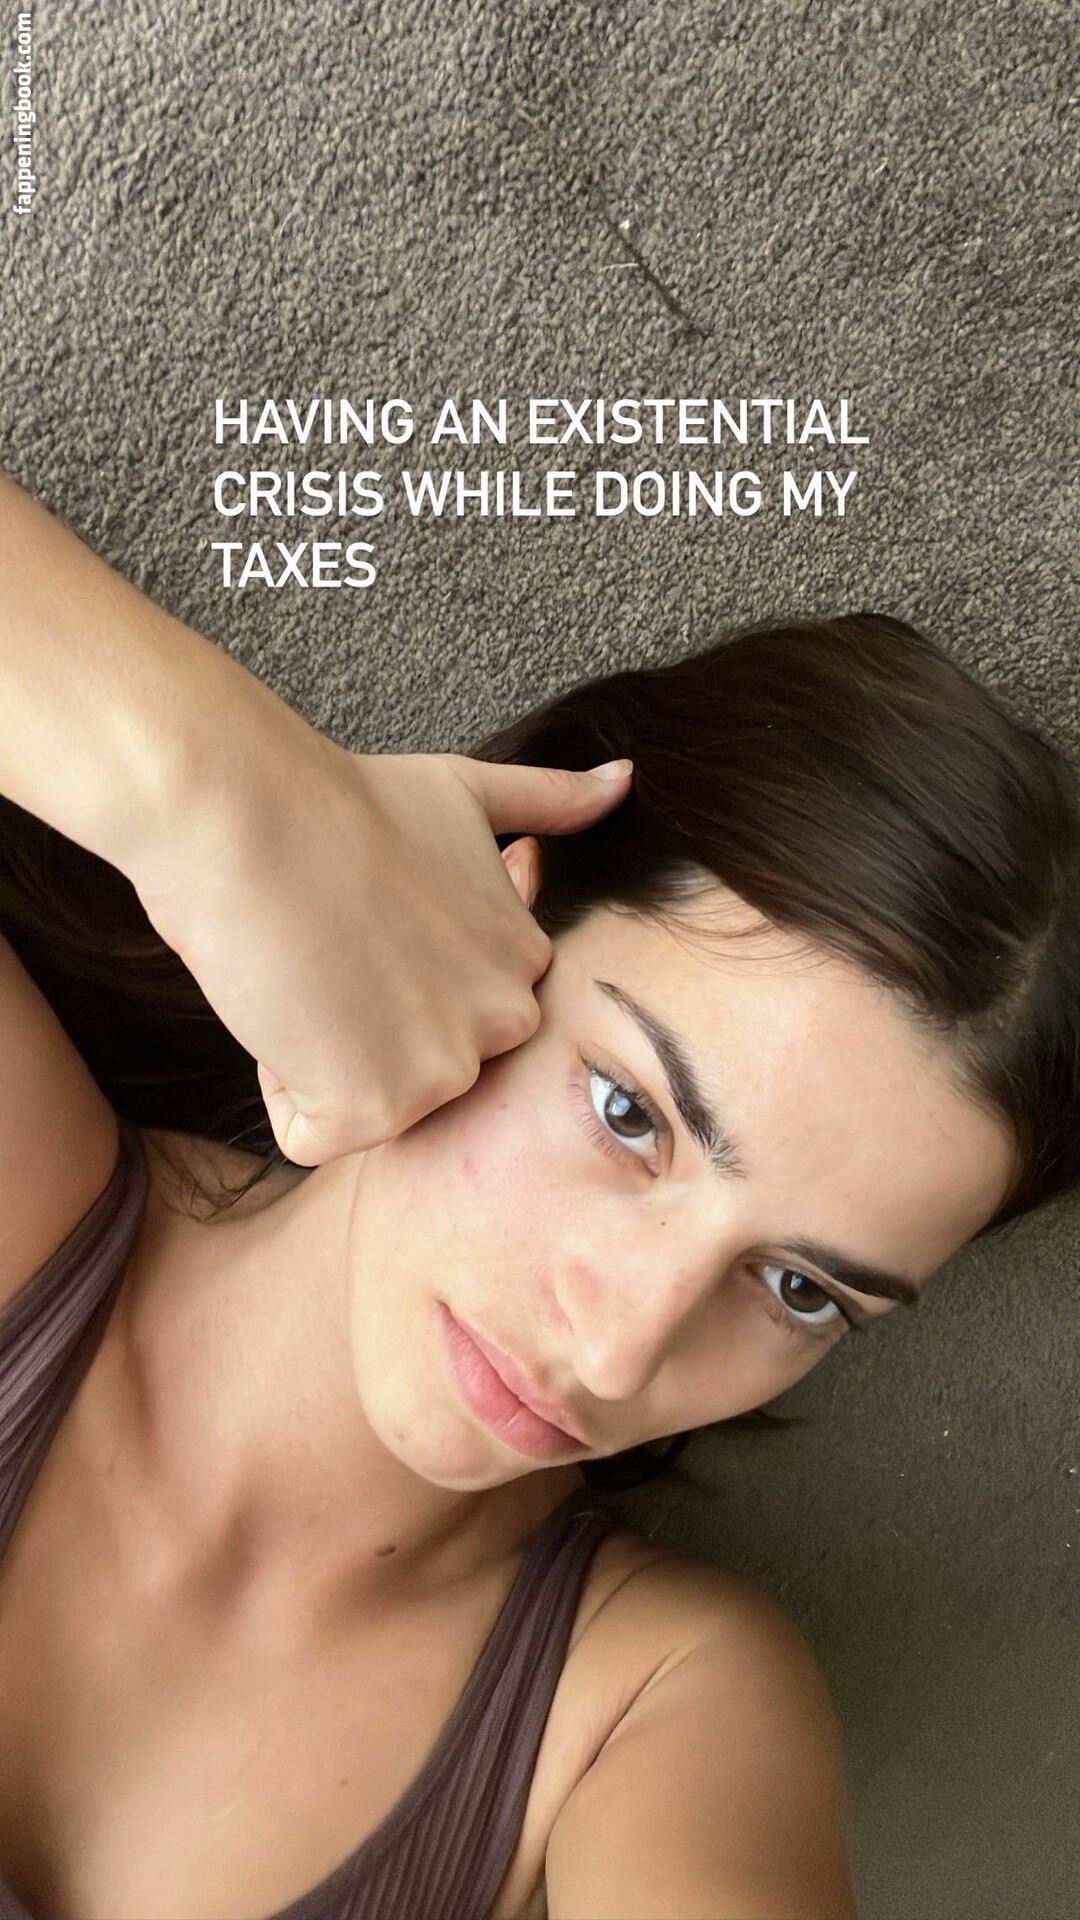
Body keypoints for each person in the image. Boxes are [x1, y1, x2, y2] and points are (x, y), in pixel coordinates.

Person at [0, 471, 1076, 1920]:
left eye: (799, 1289)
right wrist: (228, 806)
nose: (621, 1351)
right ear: (491, 911)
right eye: (632, 1114)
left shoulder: (648, 1710)